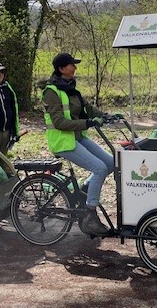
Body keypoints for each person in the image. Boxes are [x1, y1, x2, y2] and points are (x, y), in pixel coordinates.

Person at [40, 52, 114, 236]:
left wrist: (106, 116)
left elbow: (87, 108)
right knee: (99, 168)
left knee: (111, 163)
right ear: (61, 69)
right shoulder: (51, 92)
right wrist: (87, 123)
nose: (75, 67)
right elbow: (59, 122)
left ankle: (85, 190)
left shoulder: (71, 87)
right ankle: (89, 215)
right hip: (63, 141)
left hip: (77, 137)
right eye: (72, 64)